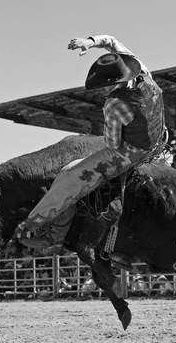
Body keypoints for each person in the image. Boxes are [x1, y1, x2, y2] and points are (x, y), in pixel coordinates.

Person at [18, 35, 166, 258]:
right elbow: (113, 42)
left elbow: (113, 143)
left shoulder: (114, 105)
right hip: (160, 138)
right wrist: (90, 41)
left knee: (69, 175)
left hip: (133, 152)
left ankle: (43, 228)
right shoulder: (143, 71)